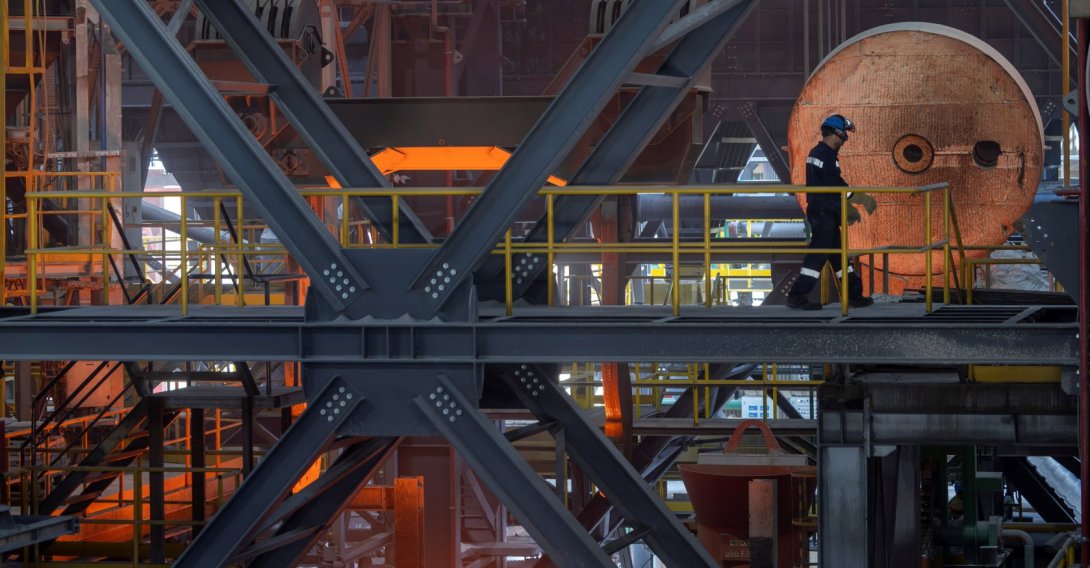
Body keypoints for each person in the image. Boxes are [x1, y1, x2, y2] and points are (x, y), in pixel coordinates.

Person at [786, 114, 874, 310]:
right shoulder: (825, 155)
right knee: (818, 255)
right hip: (824, 212)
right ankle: (797, 295)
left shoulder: (818, 153)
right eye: (843, 138)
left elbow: (831, 183)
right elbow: (835, 184)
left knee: (839, 257)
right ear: (836, 134)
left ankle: (854, 294)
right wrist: (859, 198)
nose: (843, 143)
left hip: (825, 212)